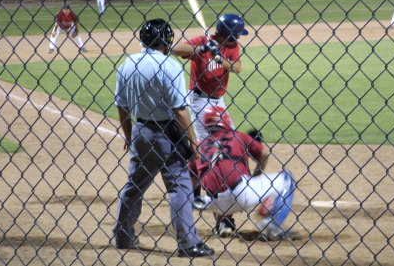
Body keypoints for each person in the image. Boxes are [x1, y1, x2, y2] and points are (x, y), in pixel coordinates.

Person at [112, 18, 214, 258]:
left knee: (134, 186)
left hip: (141, 130)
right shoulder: (169, 66)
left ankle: (123, 235)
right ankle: (188, 243)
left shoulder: (128, 64)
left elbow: (122, 106)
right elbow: (179, 109)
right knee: (180, 186)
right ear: (165, 42)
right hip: (168, 132)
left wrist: (129, 135)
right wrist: (192, 139)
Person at [189, 105, 300, 241]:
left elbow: (191, 180)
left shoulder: (199, 146)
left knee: (214, 178)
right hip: (243, 193)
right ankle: (271, 224)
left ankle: (223, 223)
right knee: (287, 178)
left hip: (215, 204)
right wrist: (257, 174)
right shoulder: (238, 136)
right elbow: (264, 153)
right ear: (226, 121)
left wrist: (194, 198)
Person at [172, 13, 248, 142]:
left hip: (219, 100)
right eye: (236, 34)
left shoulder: (232, 46)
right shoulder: (203, 41)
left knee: (231, 139)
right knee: (206, 142)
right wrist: (201, 49)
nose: (239, 37)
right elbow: (174, 49)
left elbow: (237, 68)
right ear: (228, 34)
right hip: (199, 99)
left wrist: (219, 59)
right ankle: (205, 162)